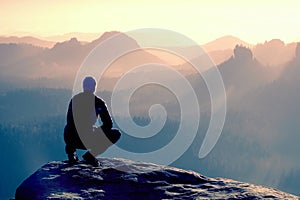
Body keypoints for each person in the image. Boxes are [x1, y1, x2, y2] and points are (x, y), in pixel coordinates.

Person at [64, 76, 121, 166]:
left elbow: (70, 121)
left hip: (72, 139)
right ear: (94, 87)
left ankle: (71, 155)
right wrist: (97, 130)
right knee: (116, 134)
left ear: (83, 86)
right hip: (88, 138)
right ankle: (90, 155)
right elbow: (108, 124)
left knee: (68, 128)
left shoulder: (75, 100)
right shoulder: (99, 102)